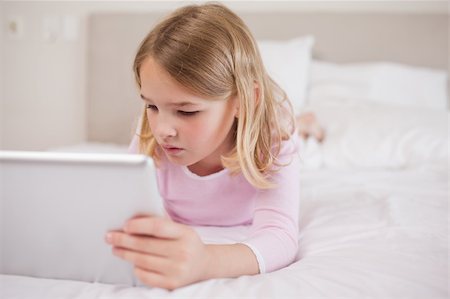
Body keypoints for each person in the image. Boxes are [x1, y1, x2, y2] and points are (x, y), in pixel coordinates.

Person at [105, 3, 301, 290]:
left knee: (294, 122)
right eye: (151, 105)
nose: (162, 130)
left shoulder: (274, 140)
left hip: (269, 122)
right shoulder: (150, 134)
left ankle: (309, 122)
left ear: (243, 102)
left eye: (186, 111)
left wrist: (207, 261)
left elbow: (280, 236)